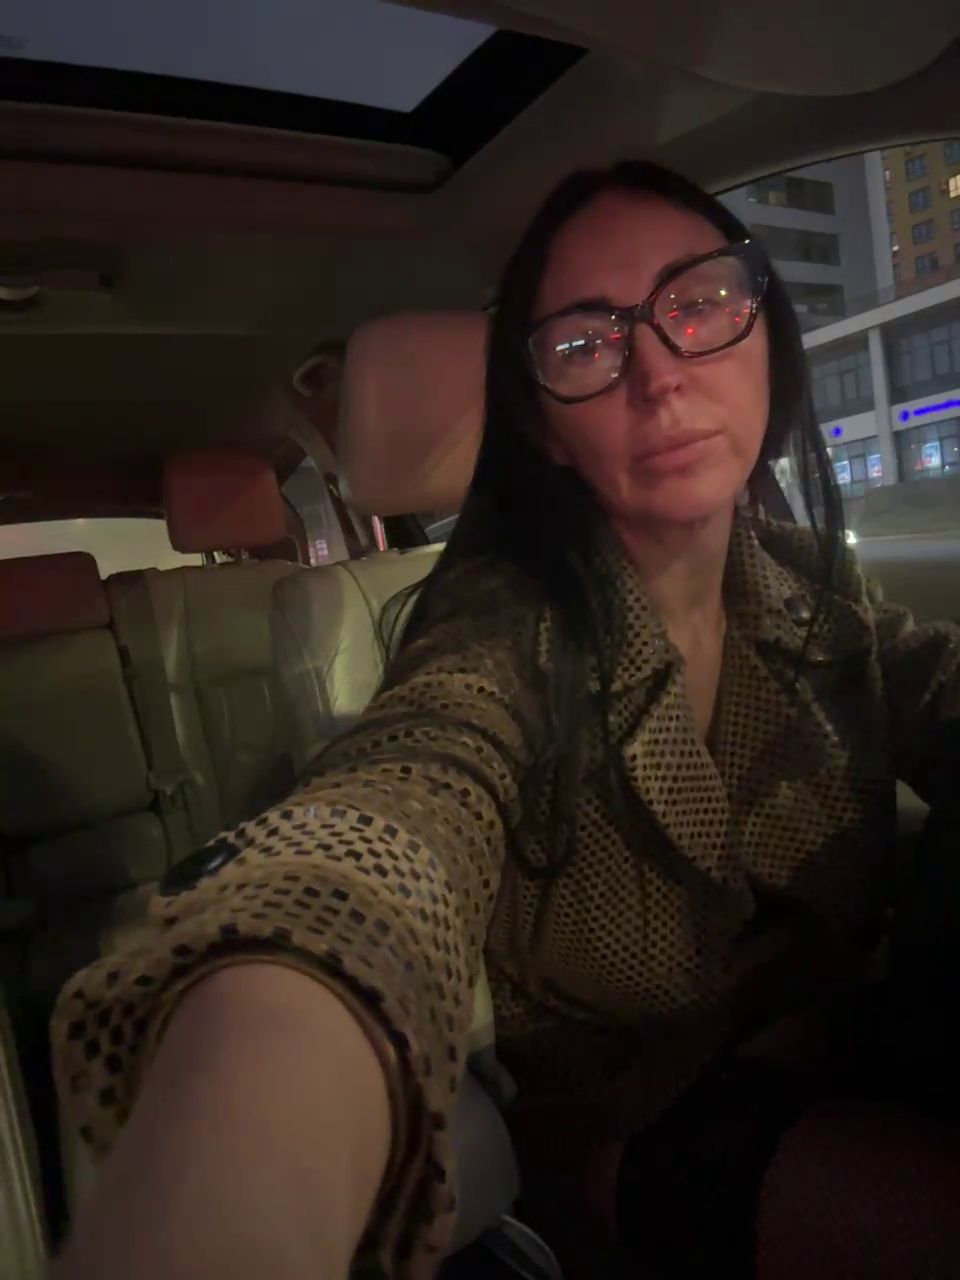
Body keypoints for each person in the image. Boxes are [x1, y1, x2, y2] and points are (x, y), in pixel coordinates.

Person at [50, 162, 960, 1280]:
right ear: (544, 426)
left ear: (766, 330)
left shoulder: (811, 580)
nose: (659, 373)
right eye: (584, 343)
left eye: (700, 302)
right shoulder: (499, 623)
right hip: (634, 1122)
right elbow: (403, 799)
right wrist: (250, 1137)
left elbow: (935, 687)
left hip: (849, 1038)